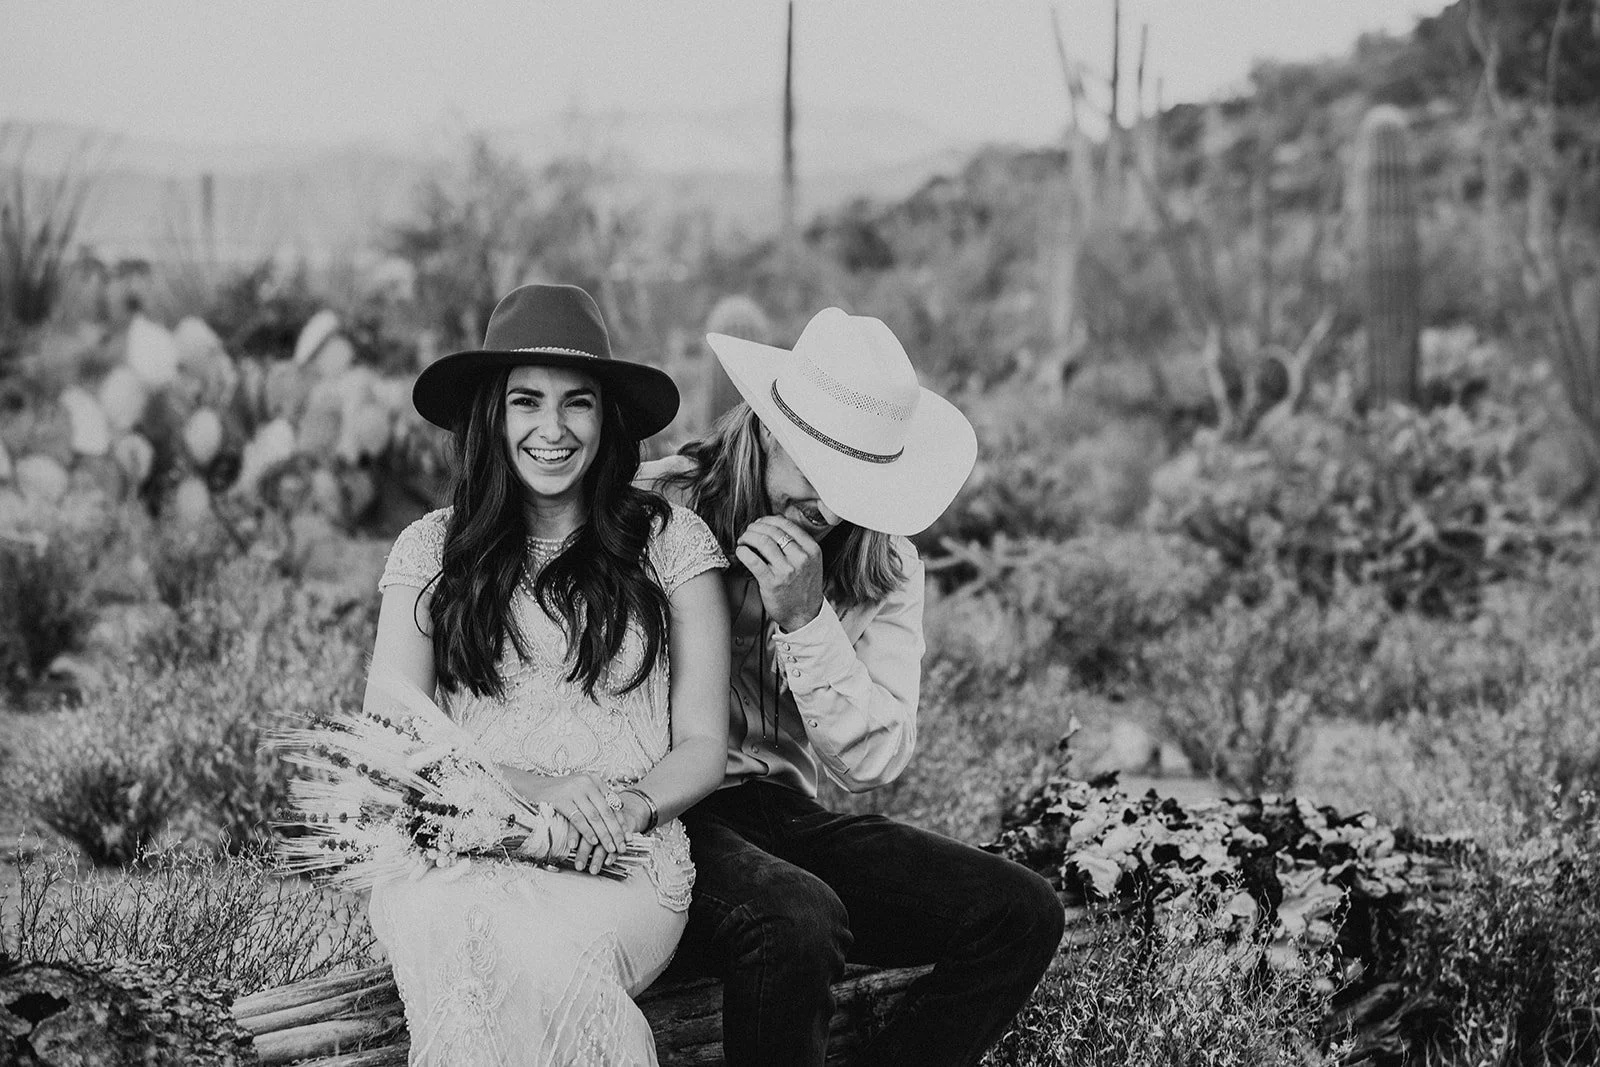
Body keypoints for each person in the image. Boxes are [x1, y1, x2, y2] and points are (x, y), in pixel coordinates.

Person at [641, 306, 1066, 1067]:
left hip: (787, 811)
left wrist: (807, 622)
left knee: (1022, 912)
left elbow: (873, 762)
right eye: (818, 471)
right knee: (799, 919)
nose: (832, 507)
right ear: (770, 429)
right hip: (672, 805)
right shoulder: (663, 511)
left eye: (857, 482)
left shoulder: (886, 563)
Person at [365, 283, 731, 1066]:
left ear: (608, 418)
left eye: (580, 403)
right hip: (461, 846)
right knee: (461, 931)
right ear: (491, 416)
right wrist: (537, 789)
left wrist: (626, 809)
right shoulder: (432, 550)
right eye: (526, 401)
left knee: (542, 955)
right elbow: (389, 746)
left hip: (620, 857)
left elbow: (703, 742)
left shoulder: (672, 545)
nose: (552, 429)